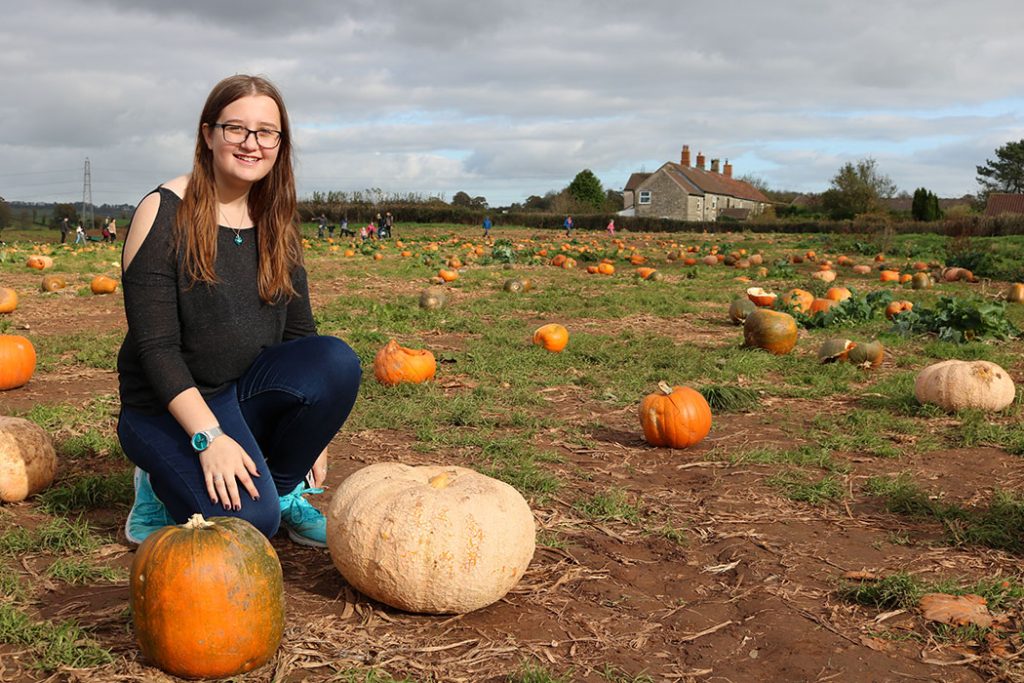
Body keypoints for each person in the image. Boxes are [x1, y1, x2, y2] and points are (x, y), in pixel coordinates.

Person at [116, 74, 361, 548]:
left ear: (280, 143)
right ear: (208, 134)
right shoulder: (164, 211)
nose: (252, 143)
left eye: (266, 131)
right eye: (236, 129)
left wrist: (314, 437)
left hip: (239, 395)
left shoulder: (276, 218)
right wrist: (209, 438)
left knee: (335, 361)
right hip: (165, 409)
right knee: (252, 523)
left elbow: (300, 336)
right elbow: (156, 348)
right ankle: (156, 484)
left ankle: (282, 486)